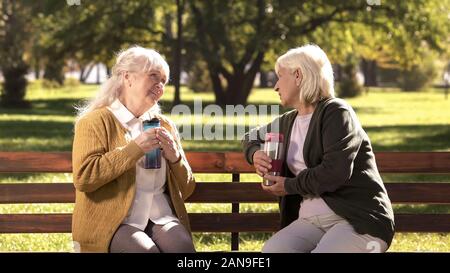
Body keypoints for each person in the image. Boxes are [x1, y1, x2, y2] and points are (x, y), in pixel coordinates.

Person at [242, 44, 394, 253]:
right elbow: (250, 137)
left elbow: (334, 172)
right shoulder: (289, 121)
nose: (275, 86)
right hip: (311, 222)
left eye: (280, 76)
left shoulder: (336, 112)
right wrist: (255, 154)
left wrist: (289, 185)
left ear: (298, 75)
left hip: (357, 220)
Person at [72, 46, 196, 253]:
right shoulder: (94, 122)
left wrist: (175, 158)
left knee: (183, 249)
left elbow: (189, 189)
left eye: (163, 81)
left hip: (160, 217)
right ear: (127, 77)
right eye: (153, 76)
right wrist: (134, 148)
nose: (159, 85)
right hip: (113, 223)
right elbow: (85, 178)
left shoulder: (164, 125)